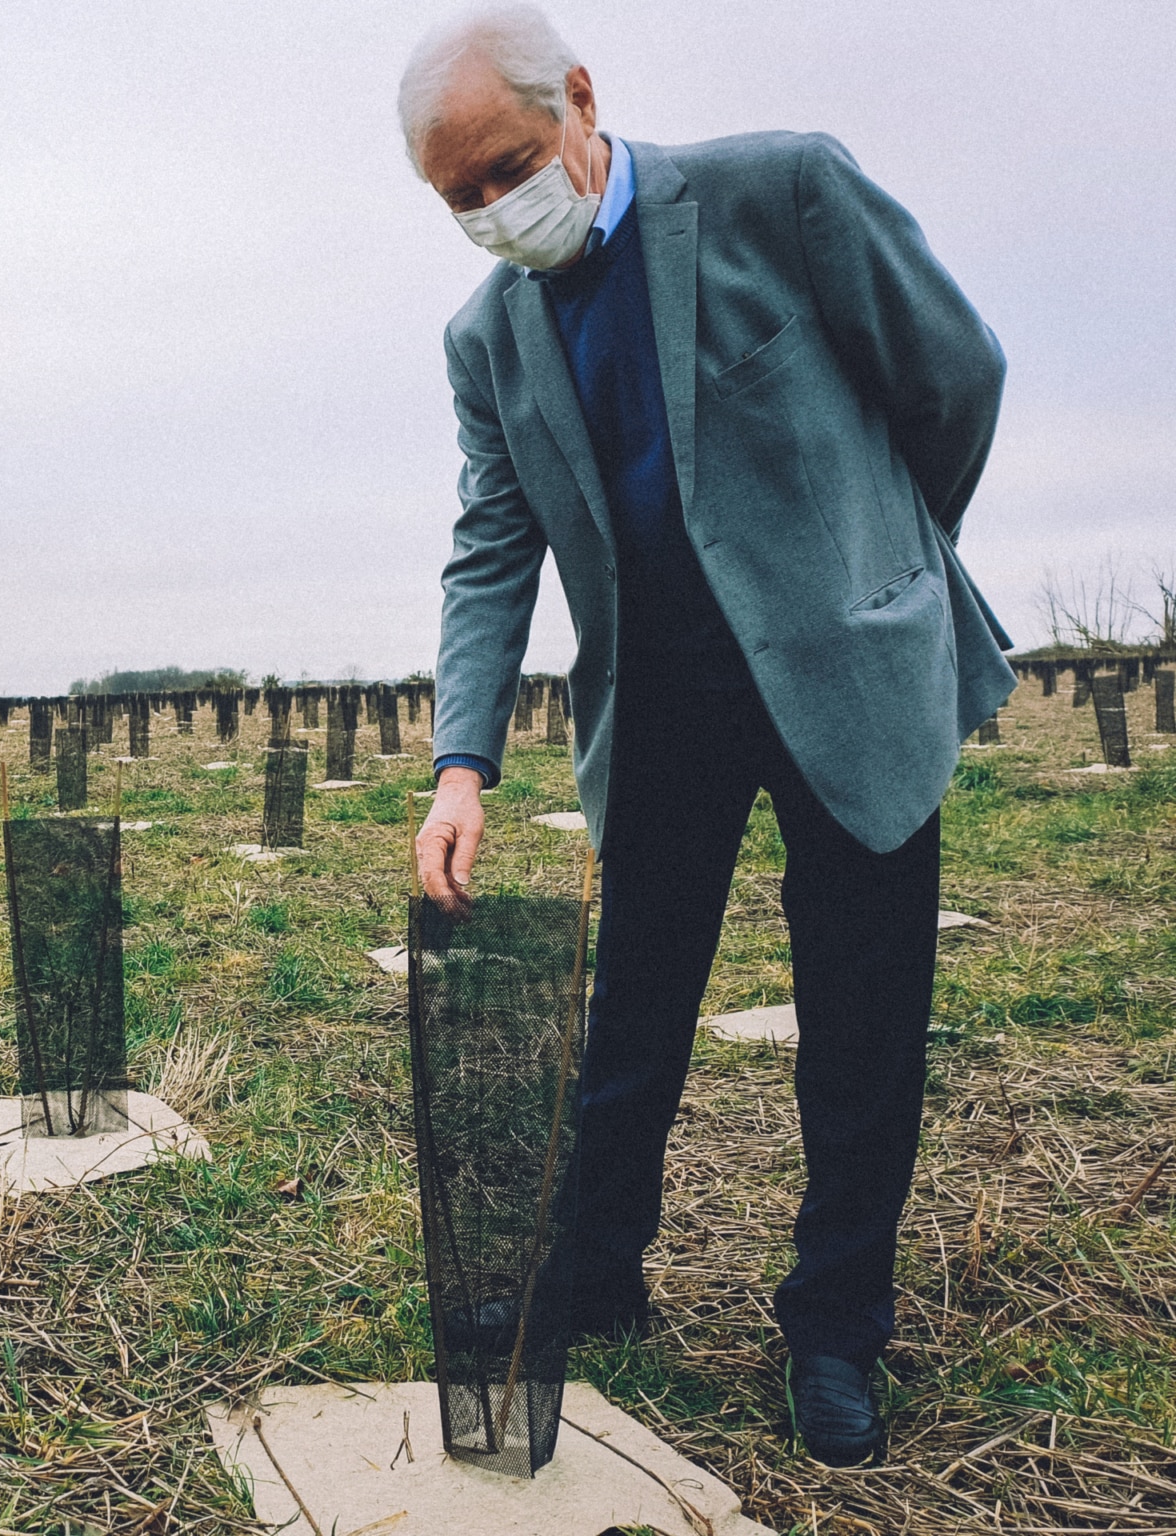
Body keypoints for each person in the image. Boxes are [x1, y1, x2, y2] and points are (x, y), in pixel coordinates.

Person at [401, 5, 1014, 1466]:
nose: (495, 209)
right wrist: (461, 763)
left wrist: (885, 574)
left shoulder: (777, 192)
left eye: (505, 167)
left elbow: (955, 374)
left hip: (843, 678)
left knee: (861, 1018)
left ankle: (836, 1328)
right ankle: (597, 1274)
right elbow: (493, 546)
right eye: (459, 198)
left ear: (581, 103)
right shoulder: (486, 338)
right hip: (661, 696)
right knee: (636, 1011)